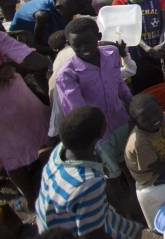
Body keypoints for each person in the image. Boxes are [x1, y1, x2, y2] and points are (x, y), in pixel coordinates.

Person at [36, 106, 143, 238]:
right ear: (101, 133)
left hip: (51, 220)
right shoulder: (88, 184)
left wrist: (117, 205)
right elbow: (93, 235)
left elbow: (94, 187)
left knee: (123, 224)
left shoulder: (60, 151)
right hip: (69, 233)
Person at [55, 18, 133, 179]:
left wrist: (131, 102)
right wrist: (93, 135)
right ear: (69, 43)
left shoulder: (111, 53)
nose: (84, 48)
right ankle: (119, 190)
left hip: (120, 120)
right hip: (97, 134)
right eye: (77, 45)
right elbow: (77, 111)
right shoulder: (67, 75)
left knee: (128, 157)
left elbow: (118, 82)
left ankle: (130, 181)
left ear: (98, 36)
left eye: (89, 42)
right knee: (110, 171)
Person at [0, 30, 52, 211]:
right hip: (20, 104)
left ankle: (31, 200)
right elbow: (40, 61)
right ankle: (60, 182)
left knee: (10, 156)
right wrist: (13, 64)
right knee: (45, 140)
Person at [9, 0, 93, 53]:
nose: (69, 17)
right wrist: (52, 51)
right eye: (68, 14)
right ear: (58, 7)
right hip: (26, 33)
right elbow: (38, 39)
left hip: (47, 25)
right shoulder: (43, 15)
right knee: (60, 49)